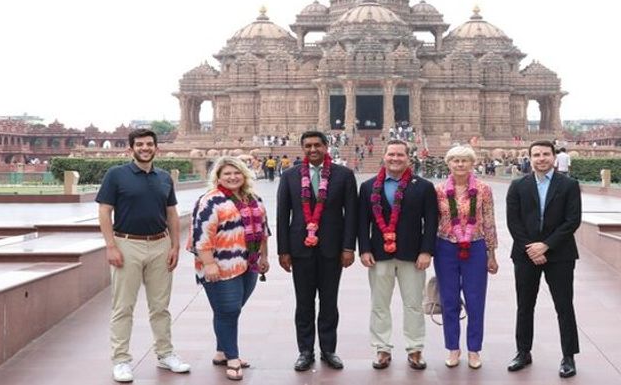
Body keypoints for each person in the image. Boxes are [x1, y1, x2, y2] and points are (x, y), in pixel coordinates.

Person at [96, 129, 190, 383]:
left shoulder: (163, 178)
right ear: (131, 149)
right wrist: (110, 245)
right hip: (127, 244)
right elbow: (105, 212)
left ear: (156, 148)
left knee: (160, 306)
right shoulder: (117, 175)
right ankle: (121, 360)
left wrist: (175, 245)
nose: (145, 148)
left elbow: (171, 212)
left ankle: (165, 353)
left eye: (149, 144)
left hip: (160, 244)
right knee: (123, 306)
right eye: (140, 144)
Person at [277, 130, 358, 371]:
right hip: (300, 248)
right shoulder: (290, 176)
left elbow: (351, 214)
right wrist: (283, 251)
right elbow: (283, 216)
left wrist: (348, 247)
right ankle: (305, 350)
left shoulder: (343, 175)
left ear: (326, 147)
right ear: (303, 149)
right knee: (303, 302)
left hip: (332, 249)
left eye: (317, 145)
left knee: (329, 302)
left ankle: (329, 349)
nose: (313, 150)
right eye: (308, 146)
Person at [187, 156, 270, 381]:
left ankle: (221, 351)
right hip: (220, 265)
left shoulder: (253, 198)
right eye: (227, 174)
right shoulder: (210, 201)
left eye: (237, 173)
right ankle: (232, 358)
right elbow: (200, 236)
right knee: (228, 310)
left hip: (248, 263)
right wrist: (209, 263)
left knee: (230, 309)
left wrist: (264, 256)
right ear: (218, 177)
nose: (233, 177)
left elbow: (263, 230)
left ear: (244, 175)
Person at [358, 140, 438, 370]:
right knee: (379, 304)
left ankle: (415, 349)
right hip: (378, 254)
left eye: (400, 155)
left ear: (408, 158)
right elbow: (362, 223)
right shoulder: (368, 186)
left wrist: (426, 251)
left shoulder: (422, 186)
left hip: (413, 255)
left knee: (413, 304)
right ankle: (382, 348)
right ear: (384, 156)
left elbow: (431, 222)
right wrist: (364, 249)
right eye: (391, 154)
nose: (395, 158)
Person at [506, 140, 582, 378]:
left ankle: (568, 356)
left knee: (564, 305)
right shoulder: (518, 185)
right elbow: (513, 222)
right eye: (536, 155)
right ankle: (523, 351)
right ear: (529, 158)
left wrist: (546, 245)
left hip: (559, 253)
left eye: (545, 154)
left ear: (554, 157)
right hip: (526, 253)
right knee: (525, 305)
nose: (541, 158)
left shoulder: (569, 185)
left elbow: (572, 220)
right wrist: (531, 248)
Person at [434, 145, 498, 369]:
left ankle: (474, 349)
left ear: (472, 163)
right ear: (448, 163)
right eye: (455, 160)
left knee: (475, 300)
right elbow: (431, 222)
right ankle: (453, 348)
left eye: (464, 160)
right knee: (449, 300)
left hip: (476, 246)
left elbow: (489, 221)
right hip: (445, 248)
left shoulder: (483, 189)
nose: (460, 164)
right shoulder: (439, 190)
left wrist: (492, 253)